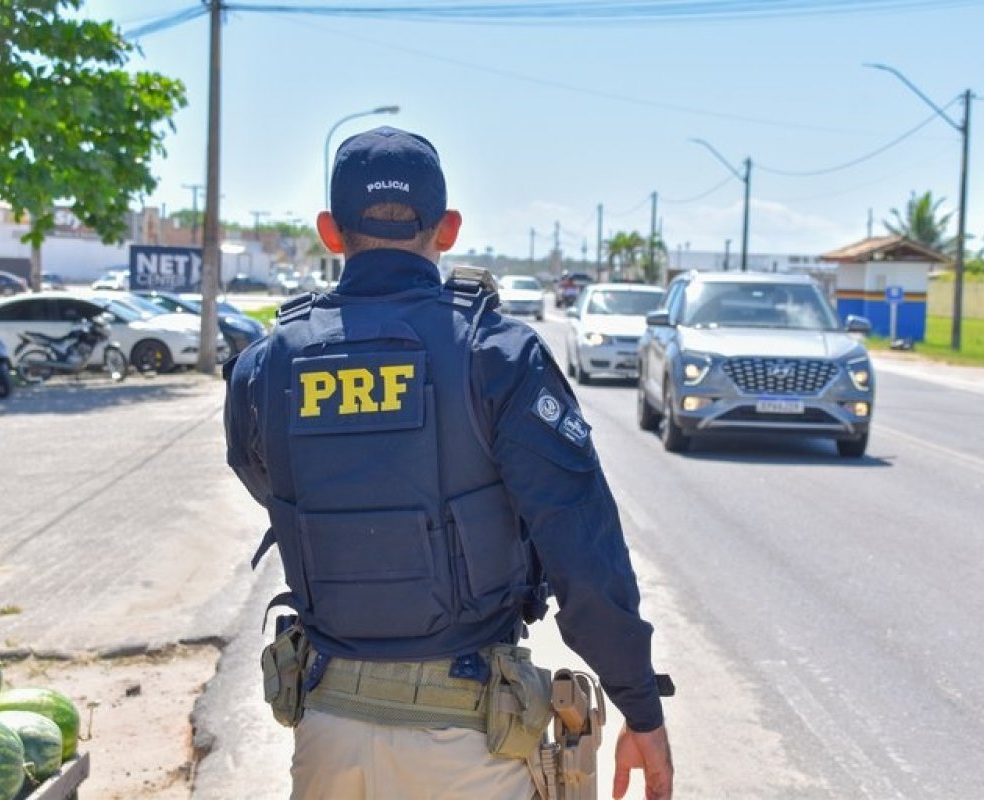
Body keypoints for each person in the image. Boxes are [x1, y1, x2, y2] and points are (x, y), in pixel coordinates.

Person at [223, 125, 673, 800]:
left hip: (327, 734)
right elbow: (581, 545)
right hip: (470, 743)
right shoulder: (497, 353)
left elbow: (265, 480)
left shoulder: (267, 363)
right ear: (449, 228)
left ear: (330, 232)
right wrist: (640, 707)